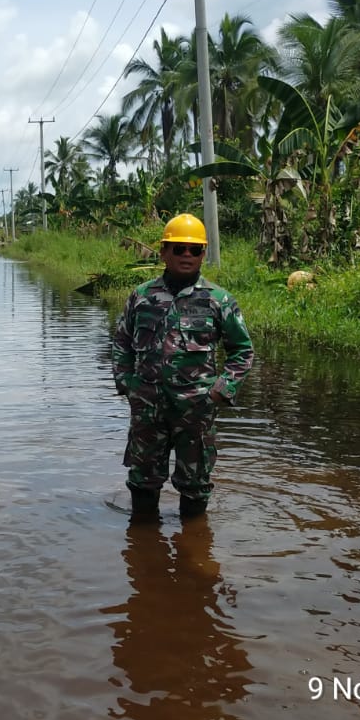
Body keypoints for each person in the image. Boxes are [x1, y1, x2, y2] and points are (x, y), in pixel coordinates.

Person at [111, 213, 253, 520]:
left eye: (194, 249)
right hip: (148, 410)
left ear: (203, 253)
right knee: (143, 484)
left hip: (196, 411)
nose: (186, 255)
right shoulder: (142, 297)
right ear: (163, 251)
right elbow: (121, 341)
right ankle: (145, 554)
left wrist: (219, 391)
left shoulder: (219, 300)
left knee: (195, 487)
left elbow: (242, 351)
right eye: (178, 248)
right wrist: (127, 383)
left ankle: (193, 553)